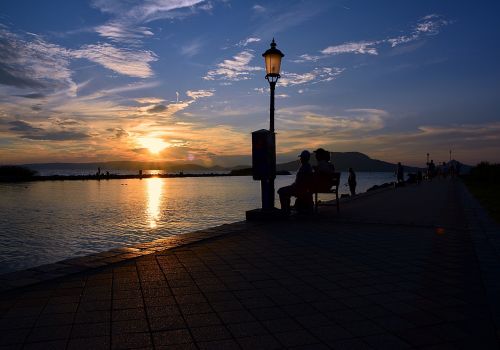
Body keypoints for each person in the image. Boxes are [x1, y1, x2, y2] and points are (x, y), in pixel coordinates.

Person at [278, 150, 313, 215]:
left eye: (301, 157)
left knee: (281, 191)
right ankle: (286, 210)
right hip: (302, 189)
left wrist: (293, 185)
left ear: (304, 158)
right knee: (285, 191)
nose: (300, 159)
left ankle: (285, 211)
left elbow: (299, 182)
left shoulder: (304, 168)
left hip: (299, 189)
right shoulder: (308, 167)